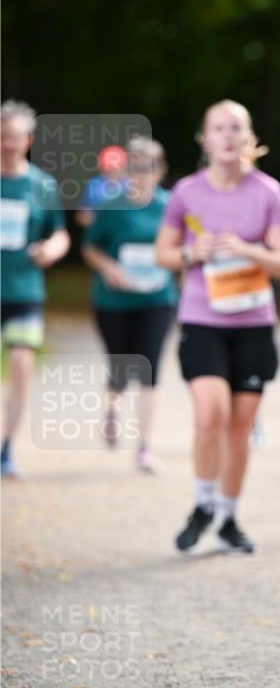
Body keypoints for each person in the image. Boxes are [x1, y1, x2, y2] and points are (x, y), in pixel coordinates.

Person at [156, 100, 280, 555]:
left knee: (240, 428)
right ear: (205, 139)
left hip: (254, 324)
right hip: (203, 320)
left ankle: (227, 517)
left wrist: (248, 249)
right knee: (210, 415)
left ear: (249, 137)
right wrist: (192, 254)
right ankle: (203, 503)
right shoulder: (187, 192)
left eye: (236, 128)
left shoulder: (268, 192)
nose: (227, 136)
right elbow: (163, 253)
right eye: (218, 128)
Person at [81, 136, 177, 473]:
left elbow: (189, 241)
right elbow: (90, 247)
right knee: (121, 365)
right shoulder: (111, 206)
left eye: (147, 168)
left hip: (157, 299)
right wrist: (109, 267)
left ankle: (145, 447)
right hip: (113, 302)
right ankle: (111, 410)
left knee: (149, 367)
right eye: (134, 167)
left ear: (159, 171)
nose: (140, 174)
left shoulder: (171, 206)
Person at [1, 100, 70, 478]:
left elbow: (59, 233)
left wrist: (50, 250)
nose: (8, 144)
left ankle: (6, 448)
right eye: (2, 136)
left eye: (14, 137)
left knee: (21, 369)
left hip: (24, 290)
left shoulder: (42, 185)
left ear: (28, 140)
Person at [75, 145, 128, 228]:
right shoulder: (93, 185)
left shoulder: (131, 185)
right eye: (107, 168)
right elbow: (82, 215)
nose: (111, 172)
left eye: (115, 168)